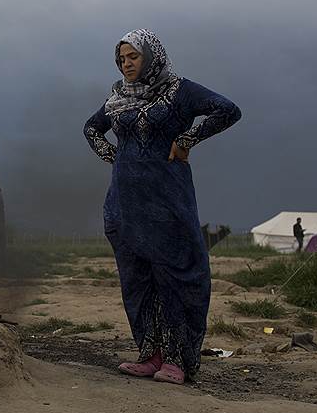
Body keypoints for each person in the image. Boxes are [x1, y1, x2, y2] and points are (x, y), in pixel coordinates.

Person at [84, 29, 241, 385]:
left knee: (176, 275)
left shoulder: (179, 90)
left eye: (133, 57)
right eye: (122, 58)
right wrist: (115, 158)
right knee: (137, 280)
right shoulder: (118, 97)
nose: (127, 64)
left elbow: (228, 110)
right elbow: (92, 128)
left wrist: (187, 139)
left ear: (150, 56)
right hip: (125, 202)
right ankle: (150, 354)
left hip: (167, 199)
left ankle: (178, 360)